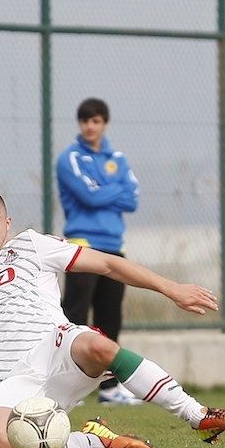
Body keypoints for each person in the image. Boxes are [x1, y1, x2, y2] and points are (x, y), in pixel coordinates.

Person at [0, 183, 225, 448]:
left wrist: (171, 288)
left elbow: (107, 264)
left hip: (55, 345)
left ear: (7, 223)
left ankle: (198, 415)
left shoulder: (31, 245)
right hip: (14, 380)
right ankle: (96, 439)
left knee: (96, 344)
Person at [56, 98, 142, 405]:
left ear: (104, 123)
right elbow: (88, 198)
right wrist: (113, 188)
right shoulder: (69, 159)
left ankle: (109, 390)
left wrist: (103, 188)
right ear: (80, 124)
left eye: (96, 121)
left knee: (110, 318)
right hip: (83, 246)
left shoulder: (117, 158)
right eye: (85, 121)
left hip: (114, 247)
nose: (90, 126)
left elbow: (133, 199)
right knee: (75, 318)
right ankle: (66, 387)